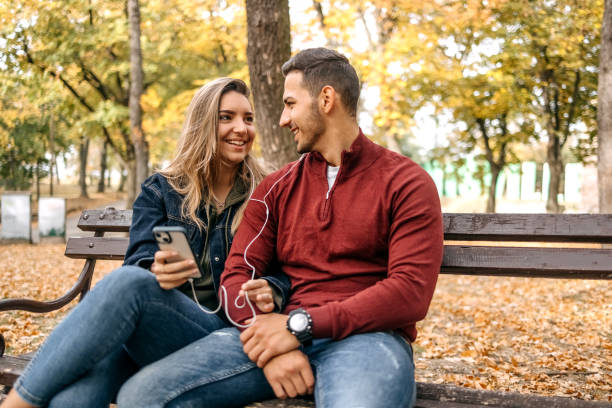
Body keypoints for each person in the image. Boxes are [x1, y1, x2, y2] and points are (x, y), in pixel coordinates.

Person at [114, 48, 443, 408]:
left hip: (367, 340)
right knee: (141, 396)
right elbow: (237, 275)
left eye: (290, 104)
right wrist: (272, 342)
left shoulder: (406, 182)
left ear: (326, 99)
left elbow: (409, 292)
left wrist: (302, 324)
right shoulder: (277, 188)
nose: (283, 119)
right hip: (280, 333)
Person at [1, 77, 290, 408]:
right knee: (74, 396)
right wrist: (157, 269)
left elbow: (290, 272)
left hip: (223, 337)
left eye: (248, 119)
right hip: (159, 327)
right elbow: (138, 262)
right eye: (226, 117)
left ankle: (17, 404)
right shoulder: (161, 189)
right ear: (202, 123)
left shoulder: (269, 192)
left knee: (128, 287)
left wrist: (272, 289)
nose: (241, 128)